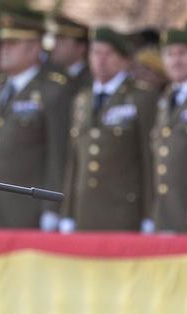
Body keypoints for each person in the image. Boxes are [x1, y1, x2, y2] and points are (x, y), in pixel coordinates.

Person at [0, 7, 70, 229]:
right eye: (3, 43)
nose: (4, 49)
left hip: (28, 208)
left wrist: (51, 207)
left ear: (35, 48)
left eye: (13, 44)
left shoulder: (53, 90)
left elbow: (57, 155)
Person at [60, 26, 157, 232]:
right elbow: (75, 159)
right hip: (84, 209)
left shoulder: (142, 97)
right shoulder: (82, 99)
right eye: (95, 53)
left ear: (124, 60)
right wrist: (67, 211)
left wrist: (149, 214)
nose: (101, 60)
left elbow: (149, 160)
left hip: (123, 209)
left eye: (109, 54)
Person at [147, 29, 187, 234]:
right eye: (169, 54)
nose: (175, 60)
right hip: (164, 211)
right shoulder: (167, 97)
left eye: (182, 53)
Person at [47, 14, 91, 92]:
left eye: (62, 41)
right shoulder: (50, 73)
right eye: (56, 39)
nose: (55, 45)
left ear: (81, 48)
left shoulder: (91, 79)